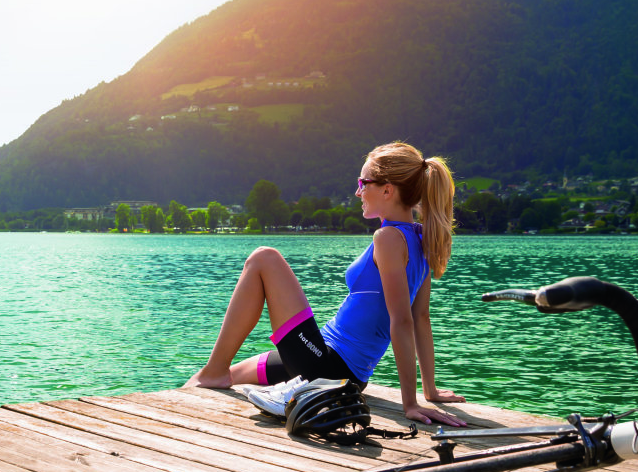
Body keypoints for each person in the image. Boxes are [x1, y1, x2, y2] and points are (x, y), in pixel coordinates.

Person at [185, 141, 467, 426]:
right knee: (231, 375)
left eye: (363, 182)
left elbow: (403, 321)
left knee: (263, 258)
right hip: (328, 359)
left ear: (387, 190)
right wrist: (429, 390)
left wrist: (410, 405)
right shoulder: (421, 238)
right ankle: (211, 374)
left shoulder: (389, 238)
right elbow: (421, 318)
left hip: (328, 367)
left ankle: (213, 371)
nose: (358, 191)